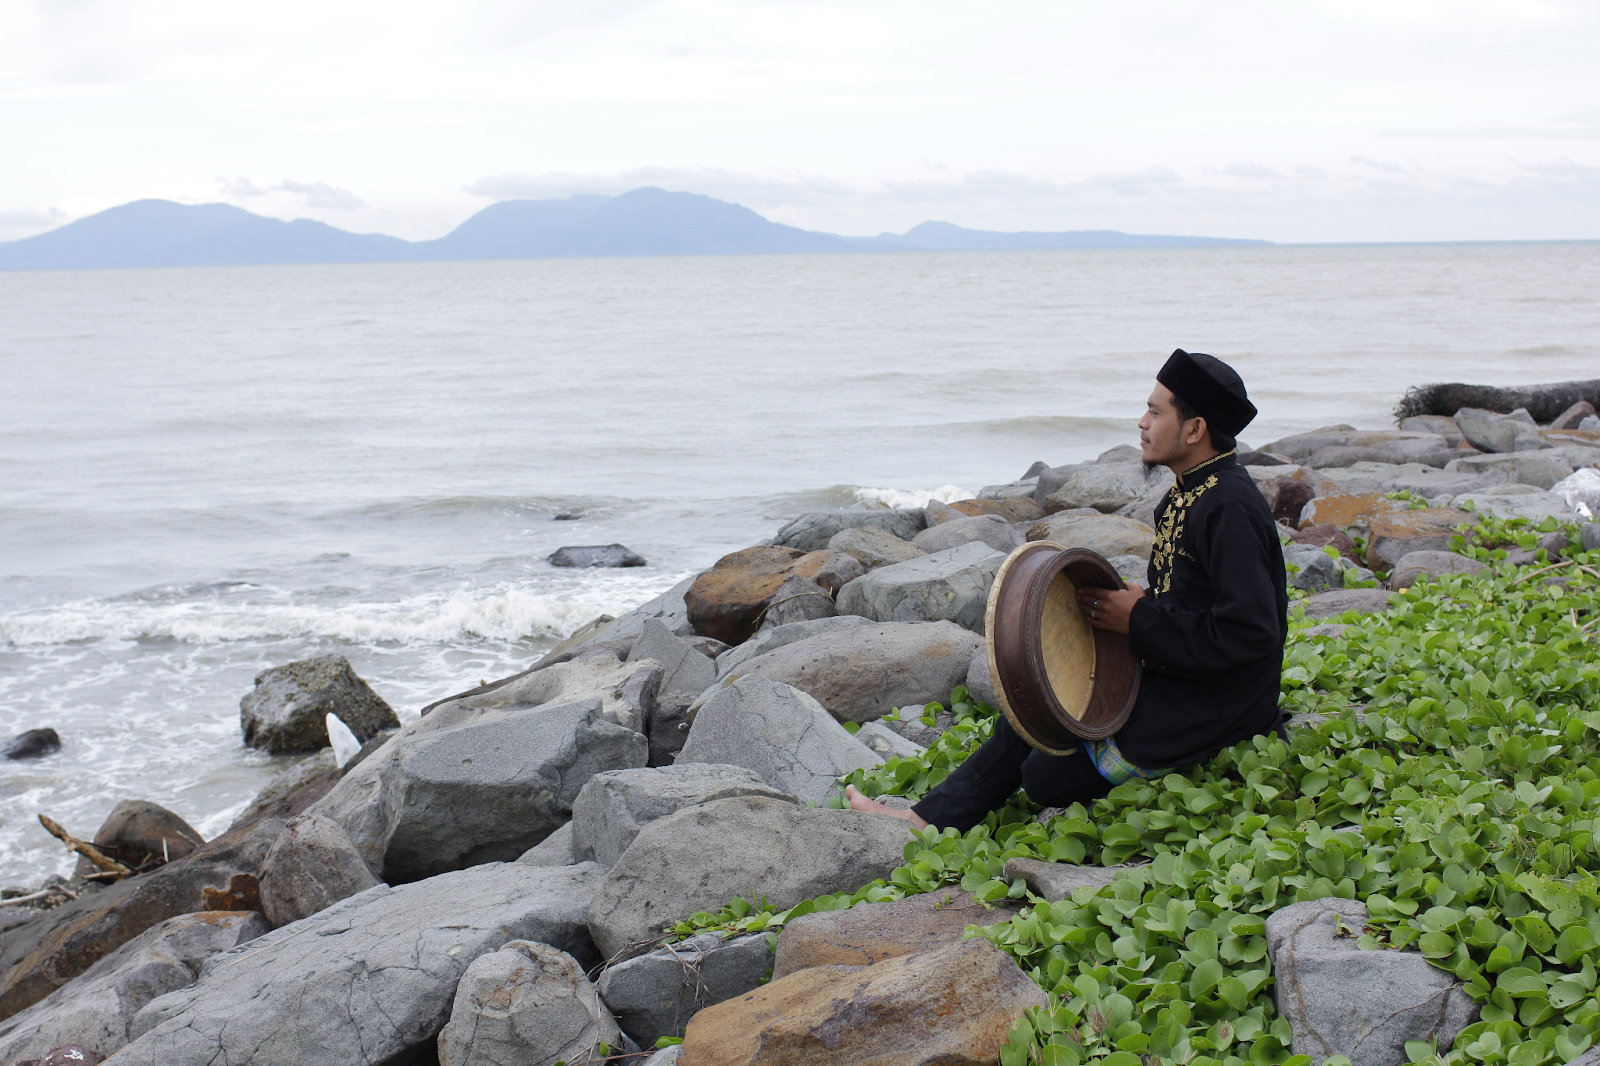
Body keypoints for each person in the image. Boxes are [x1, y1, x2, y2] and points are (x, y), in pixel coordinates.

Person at [847, 349, 1288, 831]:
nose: (1142, 423)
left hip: (1220, 703)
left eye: (1156, 411)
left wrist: (1138, 619)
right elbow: (1196, 599)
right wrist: (1147, 604)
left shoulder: (1229, 507)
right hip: (1181, 673)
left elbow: (1251, 634)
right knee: (1039, 707)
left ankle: (928, 818)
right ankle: (923, 819)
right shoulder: (1184, 494)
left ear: (1195, 429)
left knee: (1044, 778)